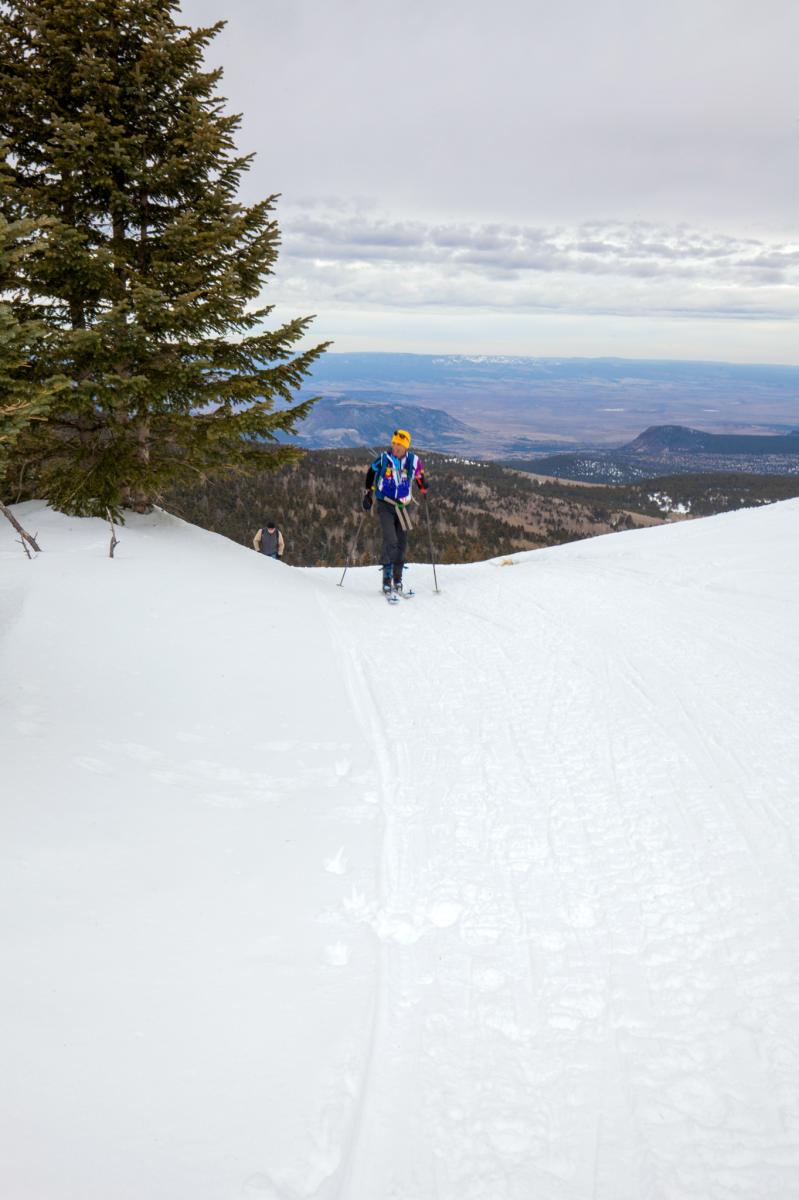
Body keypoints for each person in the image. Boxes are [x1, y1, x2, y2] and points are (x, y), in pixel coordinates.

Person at [362, 429, 427, 594]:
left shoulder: (413, 461)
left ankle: (397, 579)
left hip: (403, 506)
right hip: (385, 504)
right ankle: (386, 578)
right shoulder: (384, 459)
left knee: (402, 543)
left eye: (399, 444)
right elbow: (371, 472)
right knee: (391, 540)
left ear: (406, 446)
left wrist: (423, 487)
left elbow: (419, 476)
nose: (395, 447)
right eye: (394, 443)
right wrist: (368, 494)